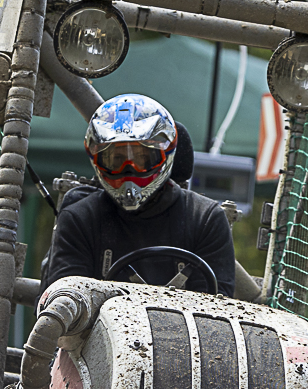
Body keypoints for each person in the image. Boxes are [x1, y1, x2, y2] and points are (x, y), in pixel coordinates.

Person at [42, 94, 238, 297]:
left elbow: (216, 307)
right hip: (96, 319)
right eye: (116, 159)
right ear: (97, 160)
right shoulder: (80, 218)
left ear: (165, 155)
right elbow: (65, 301)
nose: (129, 169)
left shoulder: (204, 218)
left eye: (142, 158)